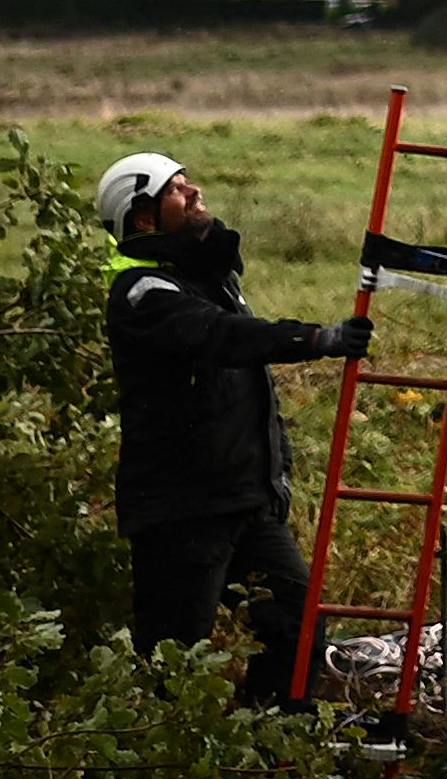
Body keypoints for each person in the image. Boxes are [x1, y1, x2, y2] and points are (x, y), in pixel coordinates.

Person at [94, 149, 371, 703]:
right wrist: (315, 339)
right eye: (177, 189)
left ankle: (267, 742)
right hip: (183, 511)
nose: (195, 193)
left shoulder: (205, 277)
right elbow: (224, 338)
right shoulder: (143, 293)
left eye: (189, 182)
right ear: (144, 218)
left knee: (300, 627)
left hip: (245, 503)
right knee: (173, 662)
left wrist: (276, 477)